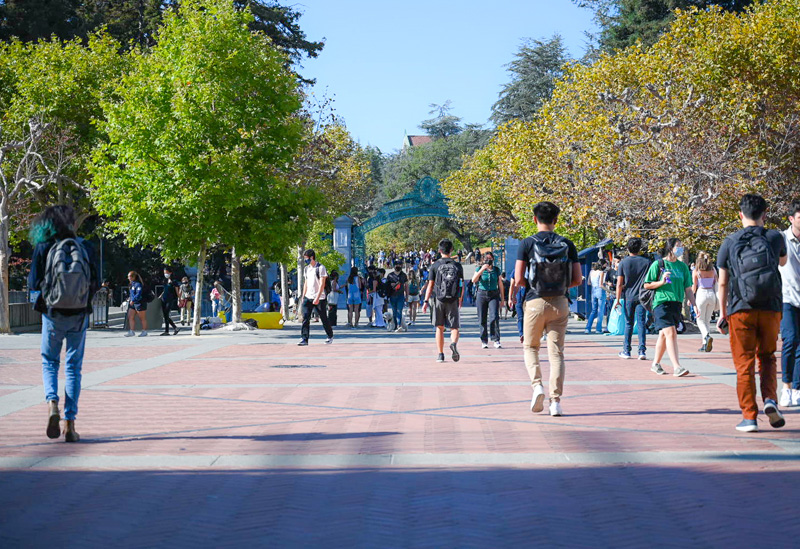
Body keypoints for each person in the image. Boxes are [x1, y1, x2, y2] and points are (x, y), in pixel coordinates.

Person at [28, 205, 99, 442]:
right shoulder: (86, 246)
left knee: (49, 361)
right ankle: (70, 424)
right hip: (79, 314)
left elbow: (34, 283)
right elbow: (95, 282)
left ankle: (52, 404)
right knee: (73, 367)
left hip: (52, 314)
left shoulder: (43, 247)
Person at [717, 194, 787, 432]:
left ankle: (749, 417)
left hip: (740, 309)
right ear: (765, 214)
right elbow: (783, 263)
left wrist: (723, 313)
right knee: (767, 356)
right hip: (771, 308)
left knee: (743, 362)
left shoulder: (729, 241)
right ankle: (770, 400)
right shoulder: (775, 237)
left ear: (740, 215)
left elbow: (723, 283)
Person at [511, 201, 581, 417]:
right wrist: (559, 286)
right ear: (556, 220)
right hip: (560, 302)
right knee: (557, 353)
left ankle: (537, 387)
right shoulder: (567, 244)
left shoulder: (527, 243)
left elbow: (519, 278)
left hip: (534, 302)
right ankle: (556, 402)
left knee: (531, 348)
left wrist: (533, 285)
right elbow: (577, 279)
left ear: (535, 219)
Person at [644, 238, 697, 377]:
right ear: (670, 248)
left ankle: (655, 364)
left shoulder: (682, 266)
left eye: (682, 246)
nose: (681, 249)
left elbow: (688, 288)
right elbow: (647, 284)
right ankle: (677, 366)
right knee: (671, 333)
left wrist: (694, 303)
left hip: (676, 303)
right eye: (678, 246)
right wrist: (661, 282)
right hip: (661, 303)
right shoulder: (659, 264)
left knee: (663, 334)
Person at [422, 239, 464, 363]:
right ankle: (453, 343)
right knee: (454, 327)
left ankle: (440, 354)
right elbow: (461, 284)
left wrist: (425, 301)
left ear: (440, 251)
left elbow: (430, 285)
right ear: (451, 250)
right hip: (453, 299)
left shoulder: (435, 265)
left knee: (439, 327)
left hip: (439, 299)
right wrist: (460, 299)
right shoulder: (457, 265)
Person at [615, 238, 650, 360]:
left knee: (628, 323)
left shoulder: (623, 263)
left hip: (628, 296)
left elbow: (619, 283)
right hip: (642, 296)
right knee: (641, 323)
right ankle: (642, 351)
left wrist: (618, 299)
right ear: (640, 248)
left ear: (627, 248)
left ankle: (626, 350)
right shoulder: (647, 262)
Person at [780, 202, 800, 408]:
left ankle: (797, 389)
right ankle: (786, 387)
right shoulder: (781, 239)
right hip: (786, 299)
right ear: (791, 219)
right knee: (790, 340)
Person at [298, 249, 334, 345]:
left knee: (323, 318)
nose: (305, 260)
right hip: (308, 296)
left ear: (312, 257)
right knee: (305, 318)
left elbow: (322, 284)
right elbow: (306, 283)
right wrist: (303, 295)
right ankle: (304, 339)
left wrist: (317, 297)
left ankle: (330, 335)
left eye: (306, 258)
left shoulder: (321, 268)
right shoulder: (306, 269)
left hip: (320, 297)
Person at [472, 251, 504, 349]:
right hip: (482, 294)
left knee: (494, 317)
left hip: (493, 294)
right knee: (482, 318)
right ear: (483, 260)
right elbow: (473, 280)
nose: (488, 261)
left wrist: (502, 299)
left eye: (490, 259)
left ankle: (496, 339)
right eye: (486, 259)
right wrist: (482, 269)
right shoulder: (479, 269)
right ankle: (484, 340)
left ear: (493, 259)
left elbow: (500, 284)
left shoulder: (497, 270)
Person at [692, 252, 718, 352]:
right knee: (707, 320)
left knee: (699, 319)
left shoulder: (697, 271)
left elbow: (694, 287)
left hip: (701, 294)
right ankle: (705, 343)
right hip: (711, 294)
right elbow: (717, 282)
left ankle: (706, 336)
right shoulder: (713, 270)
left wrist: (691, 299)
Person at [125, 271, 148, 337]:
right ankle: (131, 331)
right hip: (133, 303)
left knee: (142, 318)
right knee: (130, 316)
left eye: (129, 276)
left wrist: (133, 300)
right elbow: (132, 293)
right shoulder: (132, 284)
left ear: (133, 277)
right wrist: (129, 299)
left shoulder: (138, 284)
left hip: (139, 303)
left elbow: (139, 293)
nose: (128, 278)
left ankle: (144, 331)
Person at [387, 260, 408, 332]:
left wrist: (407, 296)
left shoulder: (403, 275)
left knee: (399, 311)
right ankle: (395, 326)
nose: (398, 266)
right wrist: (390, 284)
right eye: (397, 265)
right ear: (394, 266)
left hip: (401, 295)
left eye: (400, 265)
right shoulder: (390, 275)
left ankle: (399, 325)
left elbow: (406, 286)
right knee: (394, 311)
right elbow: (386, 285)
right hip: (392, 295)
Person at [585, 262, 606, 334]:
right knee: (600, 310)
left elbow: (588, 283)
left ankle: (588, 328)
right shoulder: (601, 272)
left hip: (593, 290)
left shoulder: (591, 272)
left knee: (593, 310)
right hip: (600, 291)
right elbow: (601, 284)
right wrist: (609, 291)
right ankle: (598, 329)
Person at [158, 267, 180, 336]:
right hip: (163, 299)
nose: (165, 274)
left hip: (170, 299)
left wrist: (180, 299)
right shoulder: (165, 280)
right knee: (165, 315)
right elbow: (164, 290)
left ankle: (172, 328)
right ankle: (170, 330)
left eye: (167, 272)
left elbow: (177, 291)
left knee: (167, 314)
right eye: (164, 273)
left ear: (170, 272)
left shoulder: (174, 281)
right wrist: (160, 296)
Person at [508, 274, 526, 343]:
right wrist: (510, 298)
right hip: (518, 296)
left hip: (529, 296)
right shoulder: (515, 271)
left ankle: (529, 335)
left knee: (530, 317)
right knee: (520, 317)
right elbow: (512, 285)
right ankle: (522, 334)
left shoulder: (531, 267)